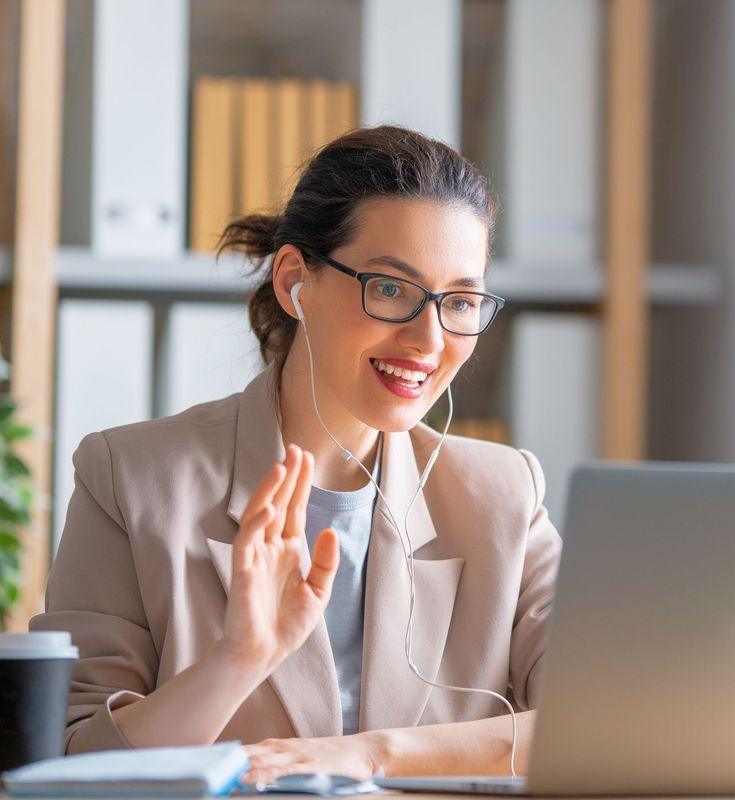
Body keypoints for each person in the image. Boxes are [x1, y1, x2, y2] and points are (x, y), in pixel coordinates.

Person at [29, 124, 562, 782]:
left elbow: (604, 720)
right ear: (294, 282)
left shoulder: (504, 493)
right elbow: (72, 768)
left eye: (460, 301)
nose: (429, 339)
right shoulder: (131, 478)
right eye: (391, 288)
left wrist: (369, 755)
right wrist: (237, 659)